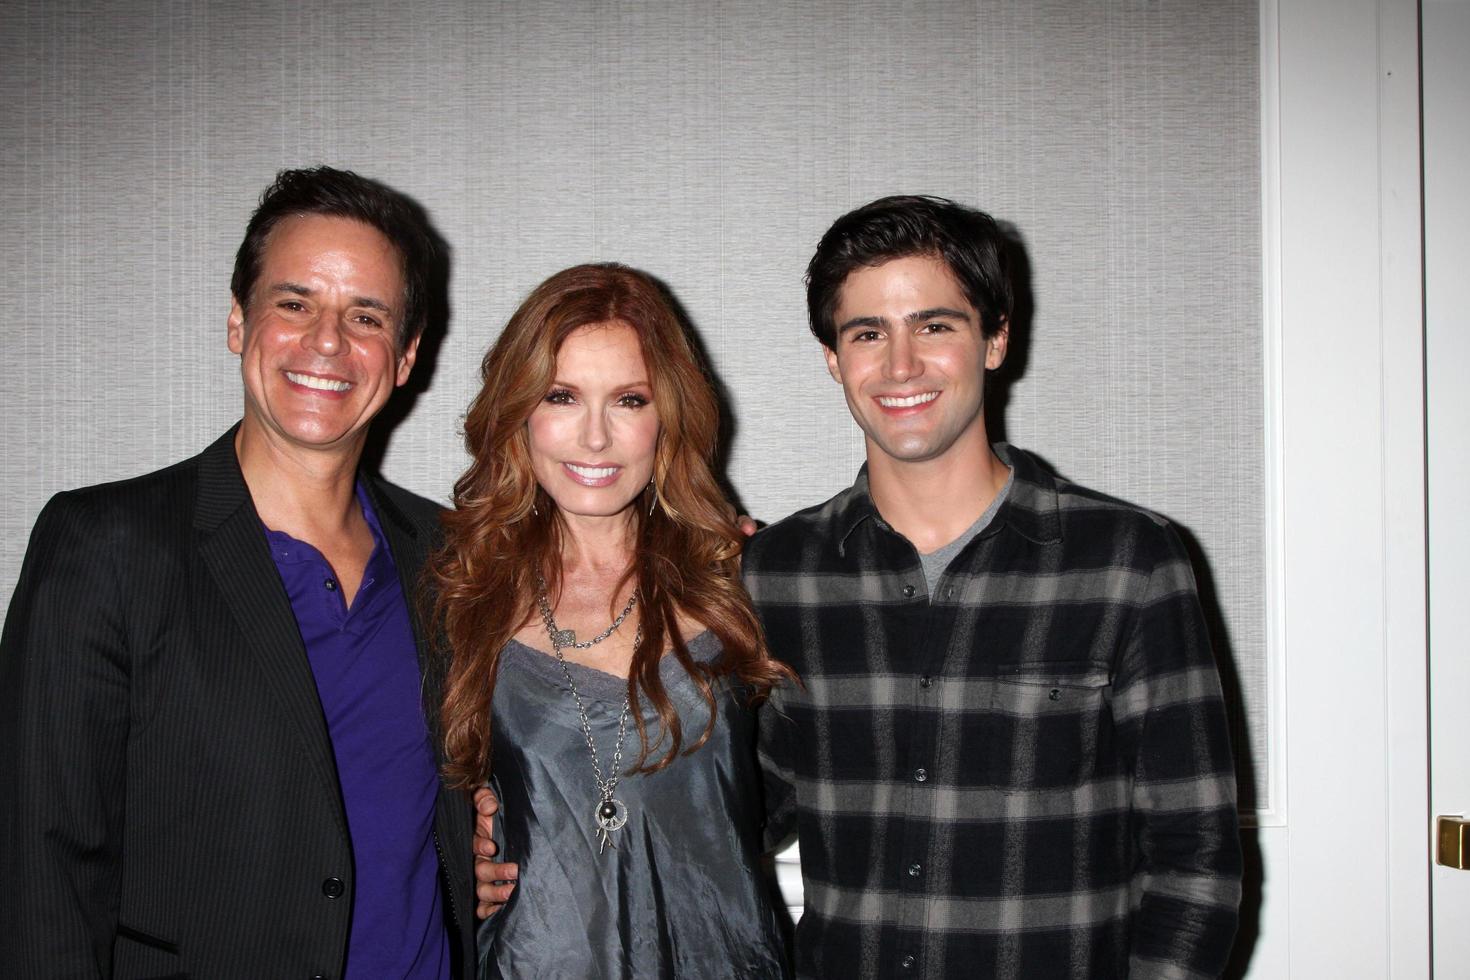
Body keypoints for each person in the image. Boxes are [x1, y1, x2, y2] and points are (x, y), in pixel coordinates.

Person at [743, 195, 1244, 977]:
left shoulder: (1128, 563)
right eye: (868, 333)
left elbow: (1195, 855)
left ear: (996, 338)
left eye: (934, 326)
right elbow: (731, 815)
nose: (900, 366)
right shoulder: (779, 573)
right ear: (833, 358)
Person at [0, 167, 476, 978]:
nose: (328, 341)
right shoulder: (106, 546)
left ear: (403, 358)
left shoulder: (453, 556)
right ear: (237, 321)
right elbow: (38, 871)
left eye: (366, 316)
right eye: (295, 303)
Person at [432, 263, 793, 979]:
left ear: (668, 419)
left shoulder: (745, 582)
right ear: (519, 413)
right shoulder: (458, 597)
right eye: (562, 396)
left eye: (629, 400)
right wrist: (448, 853)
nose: (594, 437)